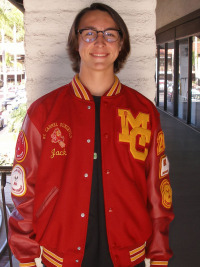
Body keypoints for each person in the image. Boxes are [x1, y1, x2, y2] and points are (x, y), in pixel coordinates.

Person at [8, 3, 174, 267]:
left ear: (121, 45)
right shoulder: (43, 112)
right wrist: (27, 257)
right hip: (59, 255)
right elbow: (23, 191)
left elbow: (158, 192)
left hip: (129, 255)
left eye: (110, 34)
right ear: (77, 43)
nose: (99, 41)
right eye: (89, 33)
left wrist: (159, 255)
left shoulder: (144, 112)